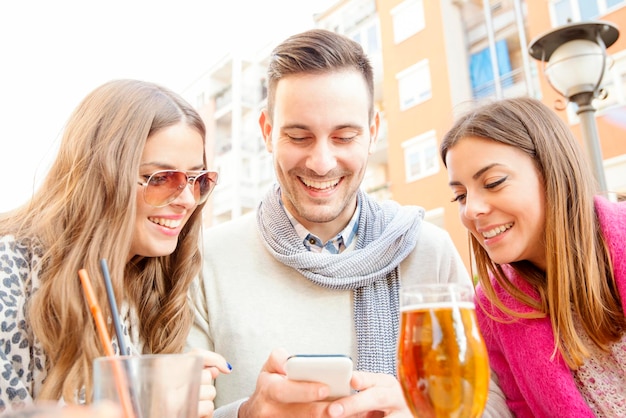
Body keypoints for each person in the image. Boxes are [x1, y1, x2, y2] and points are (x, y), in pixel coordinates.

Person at [188, 29, 510, 418]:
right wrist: (248, 414)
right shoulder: (205, 261)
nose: (322, 163)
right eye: (299, 136)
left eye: (344, 136)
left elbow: (492, 405)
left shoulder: (428, 251)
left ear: (373, 132)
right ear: (268, 132)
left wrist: (418, 414)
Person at [0, 79, 231, 416]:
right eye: (161, 178)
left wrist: (169, 389)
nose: (187, 201)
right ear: (103, 177)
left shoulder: (150, 281)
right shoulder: (11, 274)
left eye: (197, 180)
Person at [440, 96, 626, 418]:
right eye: (460, 195)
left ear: (552, 172)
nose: (472, 209)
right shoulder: (493, 313)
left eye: (493, 182)